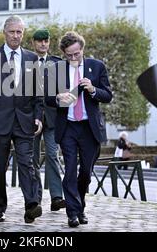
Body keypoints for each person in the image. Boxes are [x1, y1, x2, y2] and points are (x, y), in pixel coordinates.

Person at [0, 15, 44, 223]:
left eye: (19, 32)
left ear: (23, 34)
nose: (16, 36)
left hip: (24, 121)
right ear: (4, 32)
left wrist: (39, 117)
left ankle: (31, 205)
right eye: (12, 32)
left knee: (26, 163)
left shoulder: (32, 59)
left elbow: (38, 93)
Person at [46, 31, 112, 227]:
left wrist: (92, 89)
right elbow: (48, 98)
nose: (73, 58)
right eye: (69, 55)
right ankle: (72, 213)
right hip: (67, 127)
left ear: (82, 49)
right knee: (69, 171)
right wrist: (58, 98)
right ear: (64, 53)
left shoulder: (96, 66)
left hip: (89, 128)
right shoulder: (56, 69)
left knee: (85, 172)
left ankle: (80, 205)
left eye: (77, 54)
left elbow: (107, 95)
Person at [31, 29, 65, 212]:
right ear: (33, 42)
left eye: (46, 41)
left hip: (52, 117)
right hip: (31, 118)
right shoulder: (26, 61)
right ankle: (35, 198)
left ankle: (57, 197)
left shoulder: (58, 63)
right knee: (32, 158)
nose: (43, 44)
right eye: (39, 41)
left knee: (52, 155)